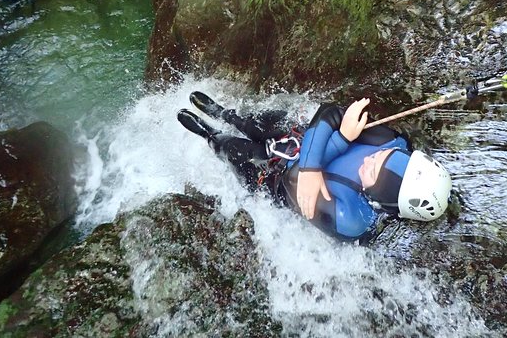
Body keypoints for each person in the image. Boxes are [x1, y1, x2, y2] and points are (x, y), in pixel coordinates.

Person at [177, 92, 452, 242]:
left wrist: (340, 139)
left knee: (237, 149)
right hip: (300, 139)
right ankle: (226, 114)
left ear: (380, 201)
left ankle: (209, 134)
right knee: (257, 124)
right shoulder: (392, 141)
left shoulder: (353, 220)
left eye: (374, 172)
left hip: (277, 181)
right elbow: (330, 110)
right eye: (384, 157)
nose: (371, 159)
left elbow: (295, 181)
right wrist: (314, 163)